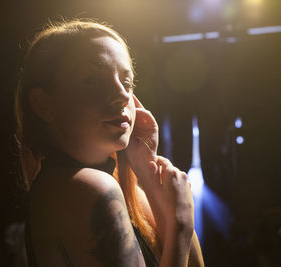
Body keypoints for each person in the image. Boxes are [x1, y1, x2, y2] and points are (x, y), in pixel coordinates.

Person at [14, 18, 205, 267]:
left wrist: (147, 173)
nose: (122, 95)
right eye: (92, 80)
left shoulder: (108, 186)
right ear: (44, 104)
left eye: (126, 82)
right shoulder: (90, 187)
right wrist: (180, 224)